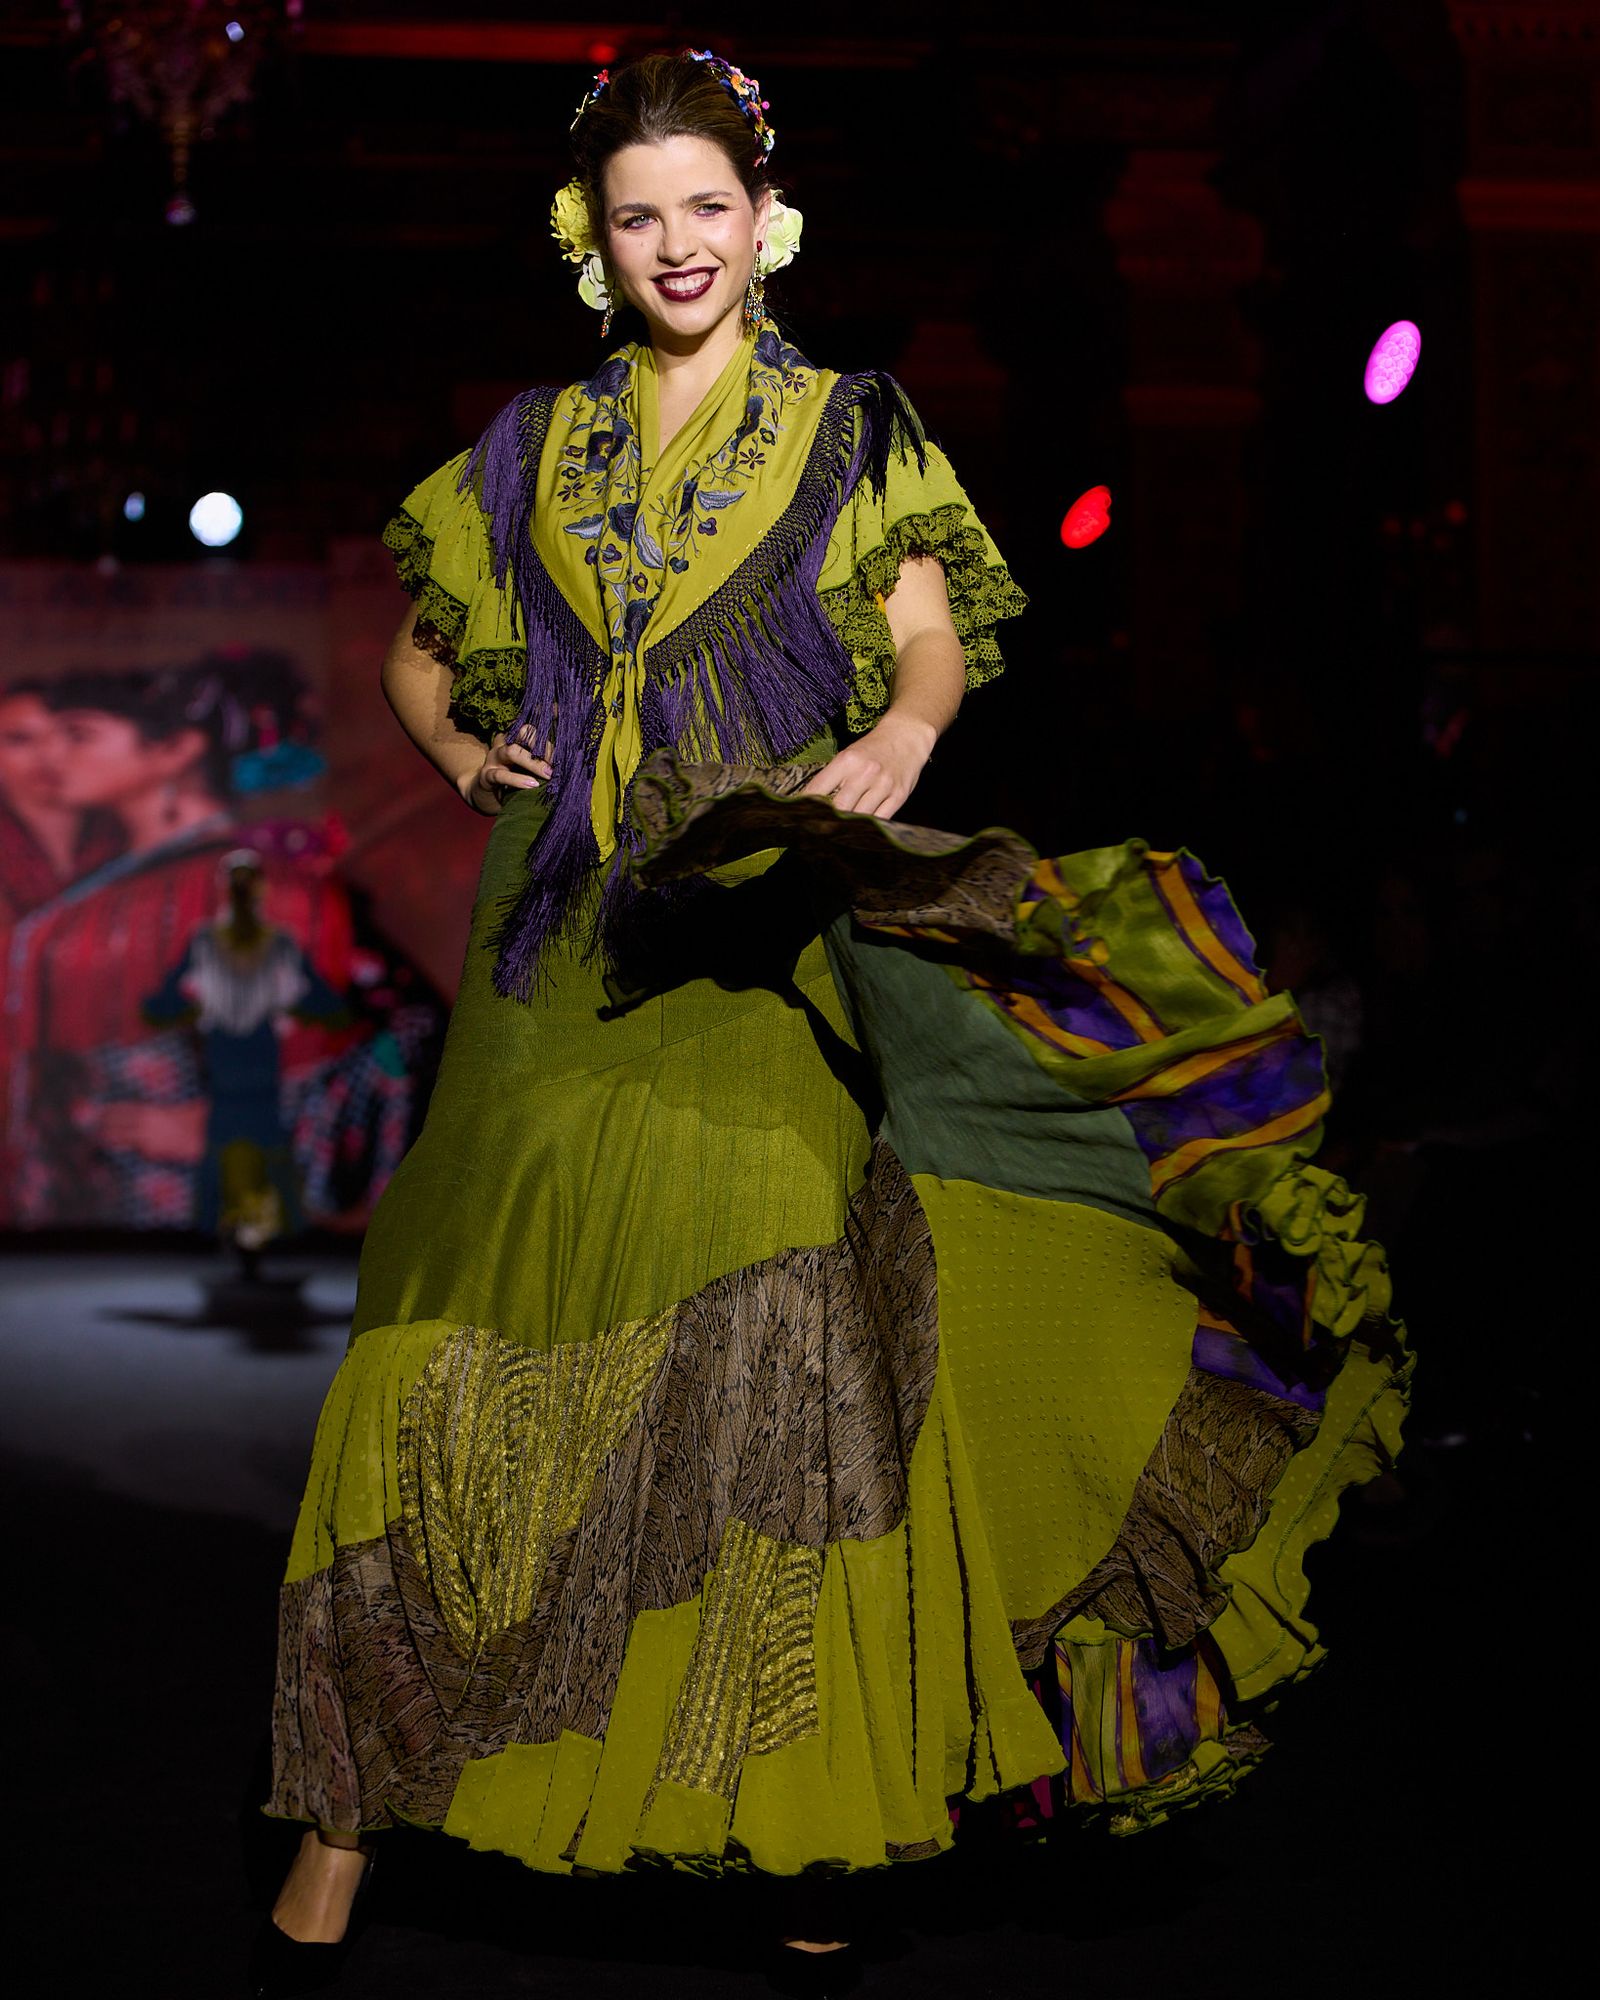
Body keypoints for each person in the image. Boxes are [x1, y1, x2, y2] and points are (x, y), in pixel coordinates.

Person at [257, 48, 1409, 2000]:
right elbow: (407, 638)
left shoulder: (846, 428)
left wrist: (895, 724)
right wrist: (464, 743)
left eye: (706, 206)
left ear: (765, 219)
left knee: (770, 1359)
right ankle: (338, 1833)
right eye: (639, 216)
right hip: (550, 980)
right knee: (454, 1346)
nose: (677, 242)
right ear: (592, 244)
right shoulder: (532, 447)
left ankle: (795, 1811)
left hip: (752, 957)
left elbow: (930, 628)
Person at [2, 664, 350, 1228]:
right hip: (70, 1200)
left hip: (183, 1192)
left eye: (78, 735)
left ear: (176, 749)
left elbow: (323, 1037)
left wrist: (222, 1122)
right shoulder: (100, 882)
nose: (51, 757)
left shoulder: (256, 885)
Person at [143, 849, 349, 1276]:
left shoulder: (252, 941)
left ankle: (246, 1229)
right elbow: (323, 1000)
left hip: (239, 1054)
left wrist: (186, 1012)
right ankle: (247, 1228)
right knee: (250, 1139)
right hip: (244, 1054)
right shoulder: (250, 941)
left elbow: (162, 1003)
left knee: (246, 1139)